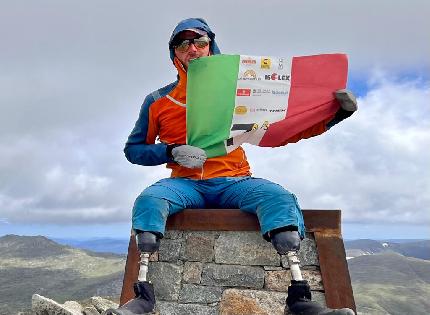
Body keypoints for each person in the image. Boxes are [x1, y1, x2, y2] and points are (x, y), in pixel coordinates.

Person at [109, 18, 356, 315]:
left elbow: (282, 130)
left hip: (235, 181)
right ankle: (143, 297)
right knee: (149, 201)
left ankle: (299, 299)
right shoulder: (158, 101)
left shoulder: (238, 94)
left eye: (200, 42)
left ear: (211, 48)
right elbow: (133, 150)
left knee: (279, 199)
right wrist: (170, 151)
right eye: (183, 44)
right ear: (174, 53)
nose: (193, 49)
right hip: (184, 184)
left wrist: (331, 117)